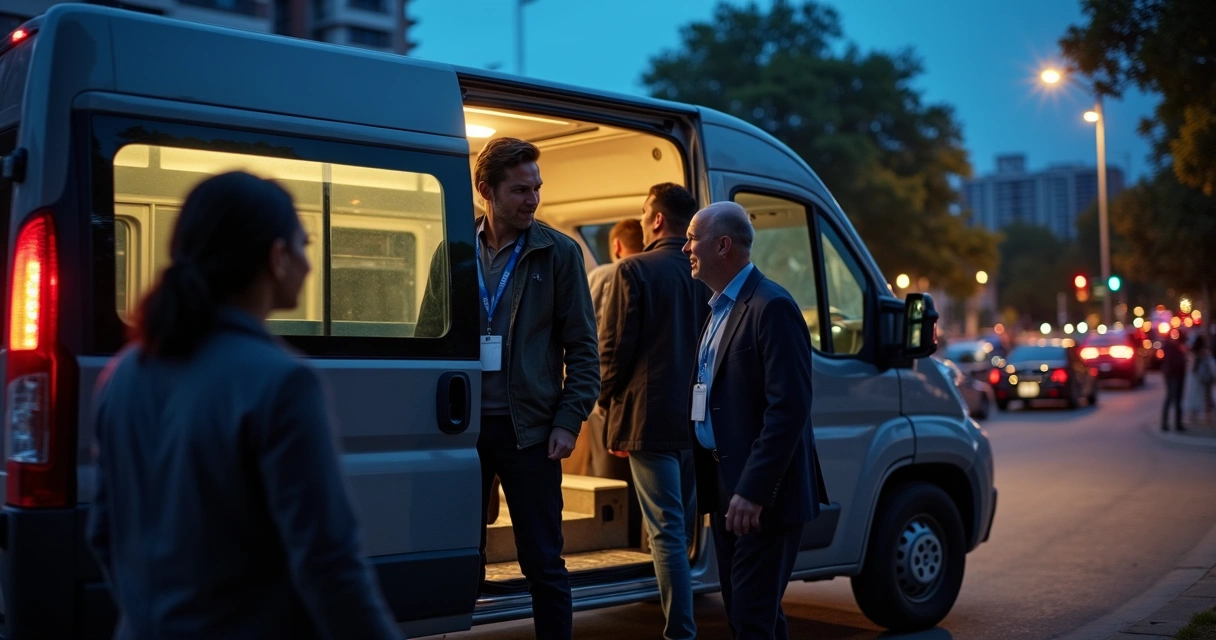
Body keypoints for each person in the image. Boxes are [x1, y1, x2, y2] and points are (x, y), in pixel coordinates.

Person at [86, 172, 402, 640]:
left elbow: (103, 531)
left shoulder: (124, 372)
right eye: (304, 244)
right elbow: (328, 563)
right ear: (276, 257)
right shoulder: (282, 382)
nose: (308, 264)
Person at [420, 137, 599, 639]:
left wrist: (568, 421)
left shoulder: (559, 252)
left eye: (537, 187)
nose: (533, 199)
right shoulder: (454, 250)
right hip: (462, 429)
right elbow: (427, 335)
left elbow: (584, 349)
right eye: (521, 190)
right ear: (486, 191)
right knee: (461, 554)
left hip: (532, 434)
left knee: (543, 561)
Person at [683, 201, 829, 640]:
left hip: (761, 497)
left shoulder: (772, 306)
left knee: (750, 618)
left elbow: (788, 408)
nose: (685, 246)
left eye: (693, 238)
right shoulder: (718, 308)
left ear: (722, 245)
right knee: (753, 617)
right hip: (728, 487)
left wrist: (753, 490)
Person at [596, 183, 708, 639]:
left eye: (644, 214)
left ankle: (680, 632)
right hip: (700, 425)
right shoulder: (709, 272)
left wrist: (604, 405)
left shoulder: (633, 270)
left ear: (658, 219)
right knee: (679, 532)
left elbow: (614, 349)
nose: (642, 221)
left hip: (648, 422)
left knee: (662, 532)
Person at [566, 218, 644, 480]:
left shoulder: (601, 276)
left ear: (617, 245)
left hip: (607, 392)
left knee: (609, 479)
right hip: (644, 395)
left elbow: (585, 332)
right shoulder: (654, 275)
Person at [1161, 328, 1188, 432]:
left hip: (1179, 374)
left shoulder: (1180, 346)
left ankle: (1177, 423)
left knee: (1178, 399)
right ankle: (1166, 423)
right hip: (1172, 375)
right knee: (1171, 397)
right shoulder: (1169, 346)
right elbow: (1169, 361)